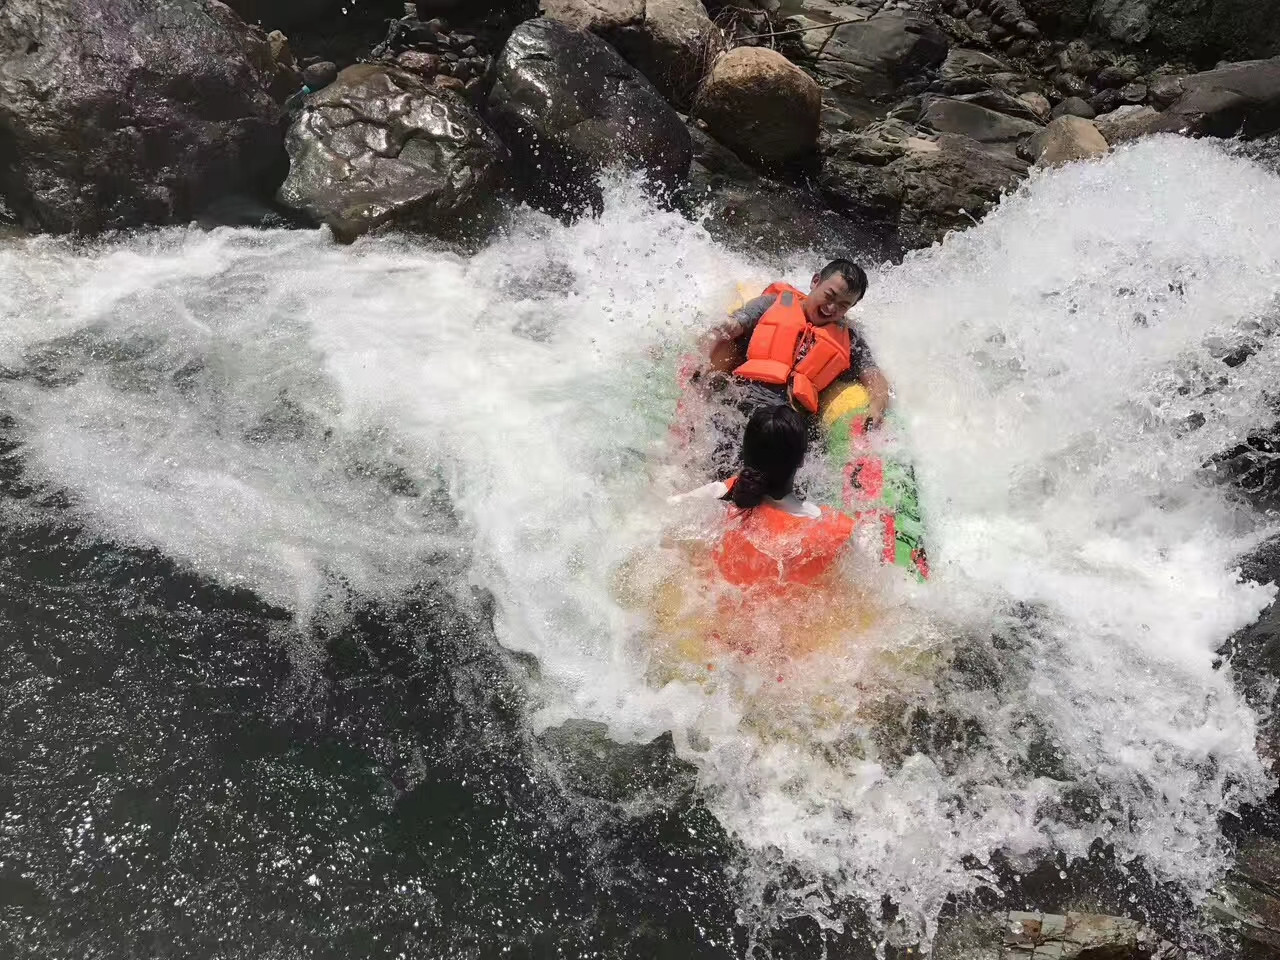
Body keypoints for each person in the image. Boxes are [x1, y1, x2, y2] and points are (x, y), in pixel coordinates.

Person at [671, 405, 858, 593]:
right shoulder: (831, 528)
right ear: (801, 460)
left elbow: (659, 515)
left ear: (745, 453)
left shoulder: (717, 497)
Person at [699, 259, 891, 427]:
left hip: (790, 424)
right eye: (829, 296)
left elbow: (873, 374)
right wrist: (702, 361)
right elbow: (730, 326)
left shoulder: (850, 338)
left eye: (843, 305)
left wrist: (876, 406)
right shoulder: (771, 304)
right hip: (741, 404)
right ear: (815, 282)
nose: (831, 308)